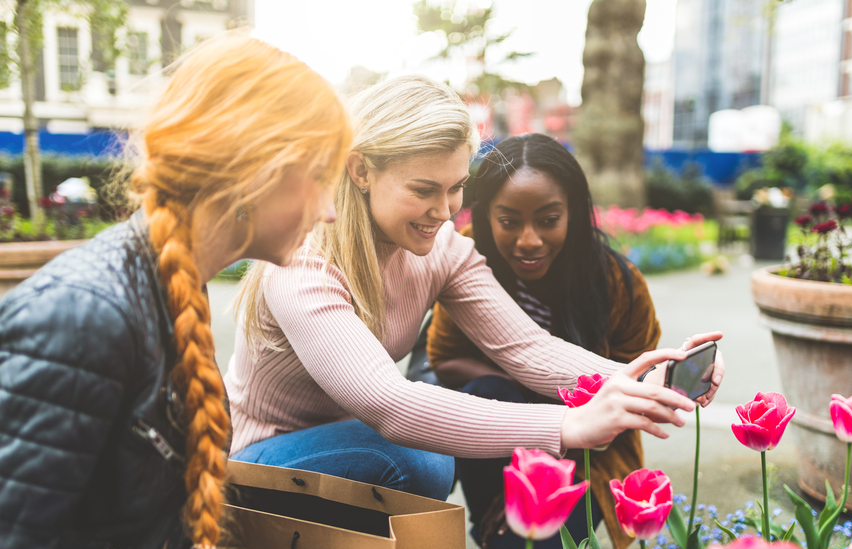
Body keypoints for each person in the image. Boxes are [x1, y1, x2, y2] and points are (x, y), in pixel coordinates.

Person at [0, 34, 355, 549]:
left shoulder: (171, 292)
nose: (329, 211)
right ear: (258, 171)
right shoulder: (84, 319)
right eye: (322, 178)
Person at [226, 76, 722, 514]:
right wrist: (567, 426)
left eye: (456, 188)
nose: (444, 211)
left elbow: (527, 347)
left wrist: (646, 378)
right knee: (418, 458)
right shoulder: (304, 263)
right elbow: (390, 405)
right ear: (361, 171)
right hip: (262, 456)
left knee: (417, 458)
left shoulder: (439, 248)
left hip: (349, 443)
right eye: (423, 190)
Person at [424, 133, 692, 549]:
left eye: (548, 220)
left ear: (574, 211)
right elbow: (444, 358)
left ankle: (532, 544)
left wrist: (667, 382)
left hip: (590, 457)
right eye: (508, 221)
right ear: (484, 215)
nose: (529, 241)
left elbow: (632, 397)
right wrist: (532, 395)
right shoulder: (468, 259)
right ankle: (490, 547)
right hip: (502, 436)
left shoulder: (617, 281)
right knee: (486, 391)